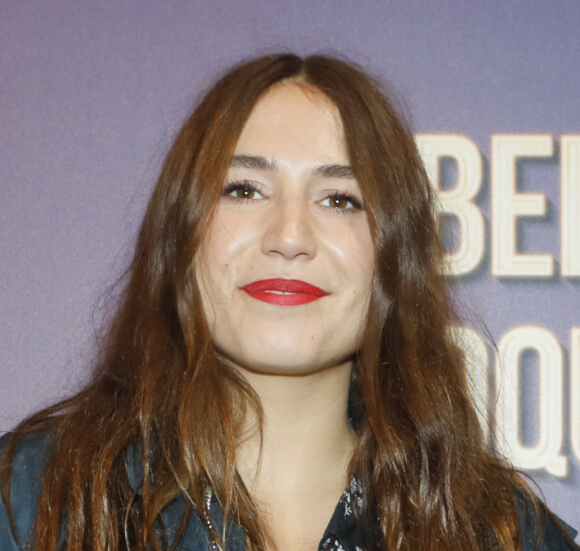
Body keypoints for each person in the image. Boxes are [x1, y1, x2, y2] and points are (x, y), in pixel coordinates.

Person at [0, 53, 577, 551]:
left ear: (396, 253)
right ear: (180, 233)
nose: (291, 236)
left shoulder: (496, 530)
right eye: (244, 190)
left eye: (341, 199)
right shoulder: (33, 498)